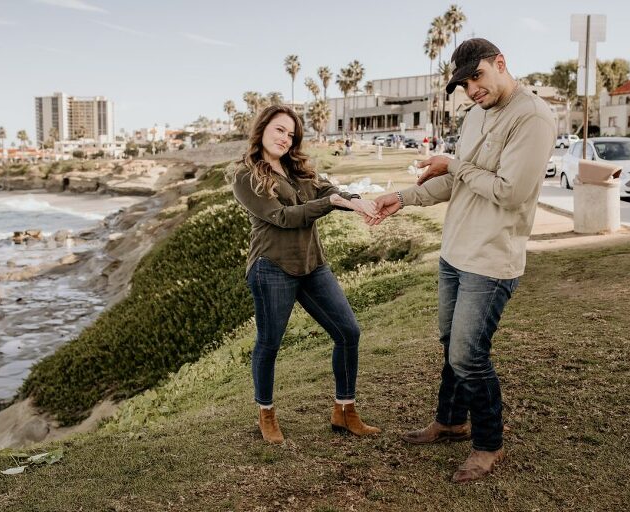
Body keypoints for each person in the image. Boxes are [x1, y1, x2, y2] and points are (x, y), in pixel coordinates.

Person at [369, 38, 555, 482]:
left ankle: (489, 445)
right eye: (464, 82)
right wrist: (402, 197)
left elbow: (510, 193)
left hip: (490, 261)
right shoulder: (475, 116)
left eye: (477, 77)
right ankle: (451, 421)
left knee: (468, 355)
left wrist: (454, 165)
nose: (472, 89)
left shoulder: (533, 117)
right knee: (450, 345)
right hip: (454, 252)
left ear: (500, 64)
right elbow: (457, 183)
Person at [231, 105, 381, 444]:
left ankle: (345, 411)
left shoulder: (295, 168)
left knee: (348, 332)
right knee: (269, 344)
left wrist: (353, 200)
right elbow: (283, 217)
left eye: (291, 134)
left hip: (312, 265)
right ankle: (266, 414)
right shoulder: (245, 175)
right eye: (279, 130)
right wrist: (332, 204)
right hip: (271, 268)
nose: (285, 138)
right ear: (263, 129)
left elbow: (326, 190)